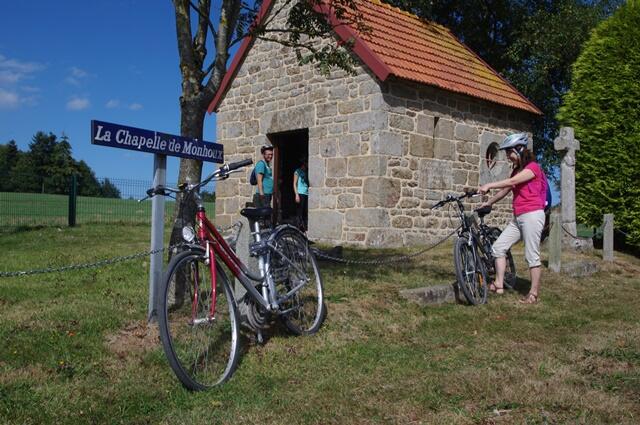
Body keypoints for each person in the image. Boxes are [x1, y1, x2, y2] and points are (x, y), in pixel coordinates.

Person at [477, 133, 547, 304]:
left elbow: (511, 182)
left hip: (532, 215)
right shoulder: (516, 170)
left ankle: (533, 294)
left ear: (519, 149)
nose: (508, 156)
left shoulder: (532, 168)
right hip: (519, 216)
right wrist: (489, 203)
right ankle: (499, 284)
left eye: (509, 152)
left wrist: (489, 184)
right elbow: (506, 190)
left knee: (532, 255)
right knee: (498, 248)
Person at [293, 158, 309, 231]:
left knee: (305, 211)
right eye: (307, 163)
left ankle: (304, 227)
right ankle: (298, 228)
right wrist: (296, 194)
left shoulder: (307, 172)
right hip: (300, 192)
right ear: (304, 163)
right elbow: (294, 183)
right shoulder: (297, 171)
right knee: (300, 211)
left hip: (306, 193)